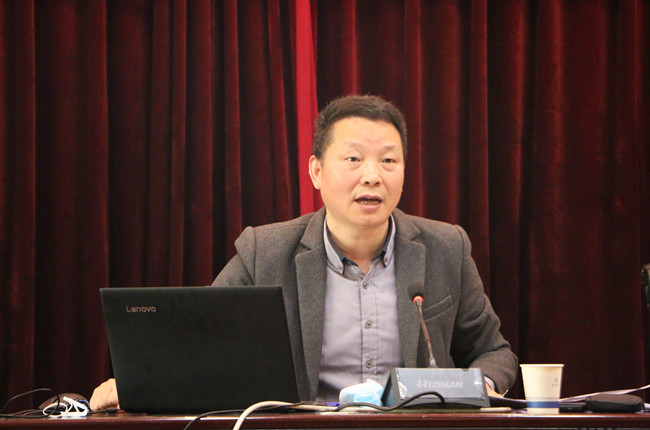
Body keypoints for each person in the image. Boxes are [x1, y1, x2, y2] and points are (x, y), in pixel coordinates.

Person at [90, 95, 517, 411]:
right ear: (316, 170)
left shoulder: (446, 247)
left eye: (389, 161)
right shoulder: (266, 251)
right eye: (354, 159)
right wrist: (139, 380)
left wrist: (478, 388)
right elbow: (199, 342)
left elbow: (494, 353)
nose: (373, 176)